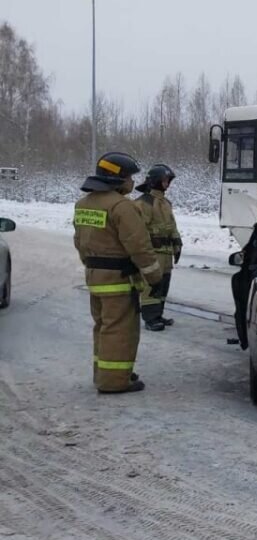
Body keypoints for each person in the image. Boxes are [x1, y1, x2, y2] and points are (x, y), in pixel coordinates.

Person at [73, 153, 164, 394]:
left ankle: (105, 374)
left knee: (103, 328)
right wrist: (155, 278)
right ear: (118, 178)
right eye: (130, 177)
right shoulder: (121, 206)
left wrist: (93, 266)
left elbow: (80, 243)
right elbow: (139, 246)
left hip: (94, 278)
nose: (132, 182)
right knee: (120, 330)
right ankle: (114, 382)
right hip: (119, 281)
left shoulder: (84, 203)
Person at [135, 164, 181, 332]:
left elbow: (172, 226)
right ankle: (150, 318)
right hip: (153, 252)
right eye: (165, 181)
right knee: (151, 285)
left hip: (166, 253)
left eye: (169, 181)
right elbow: (138, 230)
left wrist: (177, 243)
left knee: (163, 284)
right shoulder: (143, 203)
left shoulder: (165, 202)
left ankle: (158, 314)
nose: (167, 184)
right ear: (155, 181)